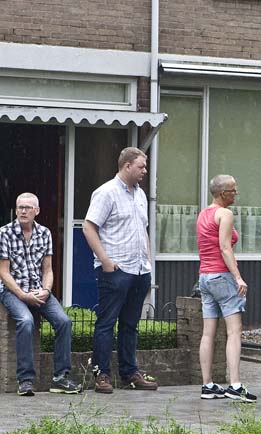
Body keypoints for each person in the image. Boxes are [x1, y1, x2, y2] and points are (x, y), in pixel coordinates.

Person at [83, 147, 158, 393]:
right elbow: (88, 227)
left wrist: (147, 260)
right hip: (115, 269)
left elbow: (143, 229)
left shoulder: (140, 195)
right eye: (141, 167)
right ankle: (101, 375)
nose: (144, 171)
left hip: (139, 270)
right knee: (106, 323)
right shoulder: (106, 193)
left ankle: (129, 373)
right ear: (127, 166)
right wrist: (105, 261)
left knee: (130, 324)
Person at [0, 193, 81, 396]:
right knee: (26, 321)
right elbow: (3, 272)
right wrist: (22, 294)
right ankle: (25, 380)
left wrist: (46, 291)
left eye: (28, 207)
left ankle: (60, 378)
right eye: (20, 207)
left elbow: (48, 270)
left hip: (37, 288)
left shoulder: (45, 233)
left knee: (64, 321)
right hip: (13, 290)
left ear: (36, 211)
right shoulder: (5, 233)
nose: (23, 211)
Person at [196, 175, 256, 402]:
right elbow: (224, 247)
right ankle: (235, 385)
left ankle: (208, 385)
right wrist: (238, 277)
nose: (235, 194)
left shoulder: (203, 214)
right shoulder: (225, 214)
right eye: (233, 191)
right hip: (222, 275)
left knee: (207, 333)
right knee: (234, 331)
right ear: (223, 193)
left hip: (205, 277)